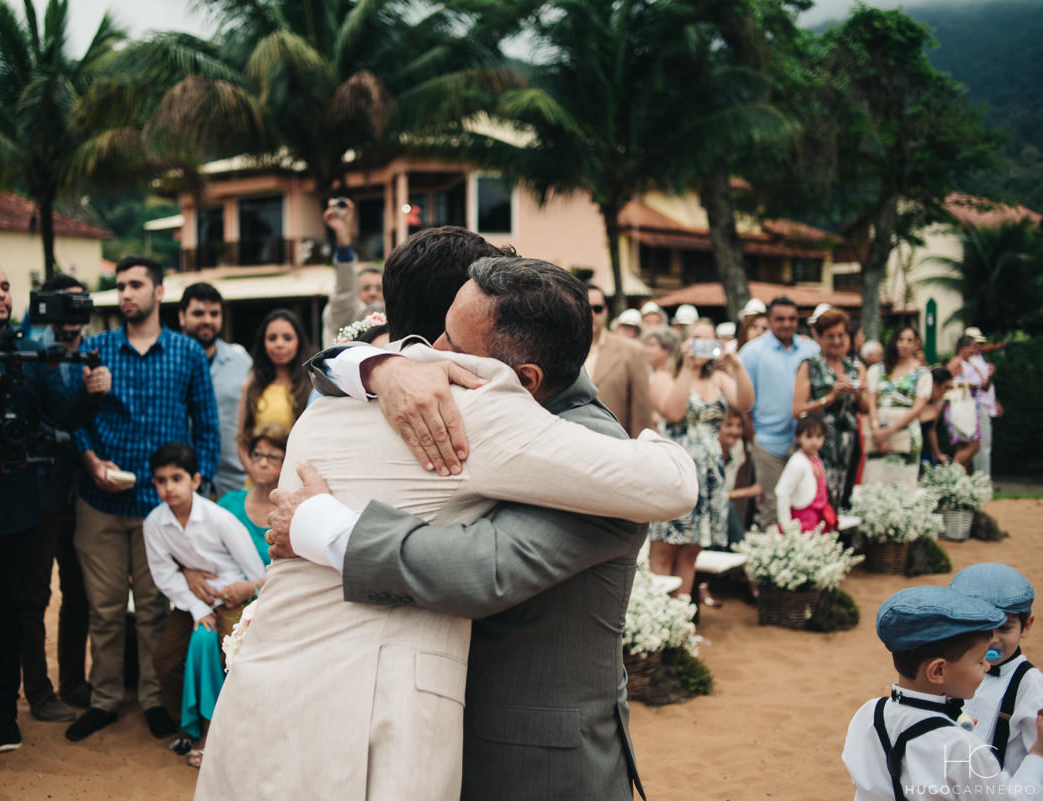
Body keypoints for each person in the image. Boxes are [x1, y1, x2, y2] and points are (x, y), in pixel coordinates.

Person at [195, 241, 697, 801]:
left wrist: (321, 525)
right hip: (428, 724)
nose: (429, 353)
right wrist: (376, 364)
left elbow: (484, 569)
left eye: (449, 343)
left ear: (523, 377)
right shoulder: (408, 391)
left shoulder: (580, 441)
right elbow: (338, 365)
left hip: (534, 760)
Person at [0, 260, 109, 752]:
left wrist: (92, 395)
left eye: (5, 286)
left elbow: (62, 414)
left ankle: (2, 717)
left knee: (6, 615)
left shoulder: (33, 353)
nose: (1, 294)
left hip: (13, 508)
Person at [65, 256, 220, 742]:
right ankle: (106, 699)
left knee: (156, 610)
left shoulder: (188, 353)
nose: (126, 293)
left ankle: (154, 700)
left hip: (163, 509)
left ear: (159, 290)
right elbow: (77, 420)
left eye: (136, 285)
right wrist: (91, 461)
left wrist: (197, 491)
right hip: (101, 502)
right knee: (105, 609)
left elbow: (207, 426)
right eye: (120, 286)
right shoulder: (95, 348)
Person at [842, 586, 1043, 800]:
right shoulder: (964, 748)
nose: (986, 667)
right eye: (979, 661)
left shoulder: (868, 714)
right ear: (938, 671)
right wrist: (1038, 754)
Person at [144, 442, 266, 769]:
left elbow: (255, 570)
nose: (169, 488)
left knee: (231, 661)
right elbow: (162, 573)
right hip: (193, 602)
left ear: (195, 480)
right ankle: (188, 728)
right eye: (160, 480)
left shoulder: (218, 519)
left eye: (177, 478)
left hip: (233, 597)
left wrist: (241, 594)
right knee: (166, 660)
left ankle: (224, 736)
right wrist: (196, 607)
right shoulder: (155, 523)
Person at [20, 274, 94, 723]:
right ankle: (39, 690)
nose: (71, 315)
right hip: (41, 491)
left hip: (83, 491)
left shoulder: (96, 352)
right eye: (61, 305)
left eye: (77, 304)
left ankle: (73, 682)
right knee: (35, 594)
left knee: (80, 592)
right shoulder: (31, 352)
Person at [648, 319, 755, 602]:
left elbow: (745, 403)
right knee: (663, 549)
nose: (702, 346)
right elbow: (673, 412)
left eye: (709, 340)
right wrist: (688, 367)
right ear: (684, 342)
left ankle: (682, 623)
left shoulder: (718, 379)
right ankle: (660, 618)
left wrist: (736, 365)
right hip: (673, 472)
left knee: (690, 551)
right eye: (696, 338)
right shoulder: (664, 377)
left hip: (708, 477)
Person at [951, 564, 1043, 774]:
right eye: (980, 627)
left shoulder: (1030, 685)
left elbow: (1039, 756)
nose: (992, 639)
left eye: (1004, 628)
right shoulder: (949, 669)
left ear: (1026, 626)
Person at [739, 296, 820, 528]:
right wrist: (754, 439)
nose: (787, 324)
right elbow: (744, 403)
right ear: (770, 320)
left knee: (805, 503)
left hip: (806, 441)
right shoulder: (752, 352)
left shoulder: (811, 350)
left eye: (792, 319)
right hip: (768, 442)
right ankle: (771, 559)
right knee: (772, 507)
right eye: (780, 319)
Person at [178, 282, 254, 495]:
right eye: (198, 313)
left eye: (214, 313)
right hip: (181, 479)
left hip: (234, 478)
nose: (207, 320)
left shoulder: (240, 360)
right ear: (181, 317)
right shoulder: (168, 362)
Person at [792, 308, 865, 509]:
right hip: (820, 443)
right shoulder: (810, 365)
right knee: (819, 499)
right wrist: (829, 398)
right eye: (830, 336)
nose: (837, 341)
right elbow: (798, 409)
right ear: (820, 338)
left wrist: (859, 393)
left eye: (841, 335)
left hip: (848, 442)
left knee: (844, 497)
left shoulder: (855, 368)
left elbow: (865, 409)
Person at [236, 309, 312, 465]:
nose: (279, 344)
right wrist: (255, 472)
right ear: (263, 343)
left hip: (296, 474)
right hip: (258, 477)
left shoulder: (311, 386)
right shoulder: (252, 385)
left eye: (287, 338)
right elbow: (242, 440)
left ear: (299, 342)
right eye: (272, 338)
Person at [864, 326, 933, 488]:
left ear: (916, 344)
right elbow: (871, 401)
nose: (904, 344)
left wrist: (890, 430)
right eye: (901, 339)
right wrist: (877, 429)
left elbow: (918, 408)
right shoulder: (878, 370)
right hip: (878, 429)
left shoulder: (922, 373)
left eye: (909, 340)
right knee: (876, 480)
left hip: (906, 431)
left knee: (903, 483)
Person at [585, 283, 653, 437]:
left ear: (606, 311)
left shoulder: (632, 351)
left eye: (597, 309)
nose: (591, 314)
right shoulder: (561, 349)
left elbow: (641, 414)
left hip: (615, 446)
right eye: (584, 307)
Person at [214, 423, 286, 566]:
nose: (263, 463)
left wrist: (248, 588)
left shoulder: (289, 510)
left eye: (272, 456)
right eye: (257, 455)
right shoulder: (229, 502)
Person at [321, 197, 383, 346]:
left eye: (379, 288)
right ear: (354, 291)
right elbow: (345, 286)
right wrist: (342, 233)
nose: (373, 293)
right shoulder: (343, 314)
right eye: (366, 288)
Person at [775, 414, 837, 533]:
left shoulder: (816, 458)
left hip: (818, 511)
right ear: (798, 438)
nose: (814, 441)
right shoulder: (797, 462)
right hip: (802, 514)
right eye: (809, 436)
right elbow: (783, 492)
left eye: (819, 436)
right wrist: (785, 523)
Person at [720, 407, 762, 544]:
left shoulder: (737, 452)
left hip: (722, 512)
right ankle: (741, 549)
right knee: (730, 508)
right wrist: (743, 493)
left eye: (739, 426)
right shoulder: (707, 453)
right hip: (706, 511)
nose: (735, 431)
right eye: (729, 425)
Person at [965, 327, 1001, 477]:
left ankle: (981, 479)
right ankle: (983, 481)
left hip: (985, 406)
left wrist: (995, 402)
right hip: (978, 407)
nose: (979, 346)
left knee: (982, 446)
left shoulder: (979, 359)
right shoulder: (970, 361)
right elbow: (984, 386)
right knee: (981, 446)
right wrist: (991, 374)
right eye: (975, 343)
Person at [945, 335, 983, 473]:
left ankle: (961, 483)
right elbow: (945, 382)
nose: (974, 350)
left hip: (969, 408)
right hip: (960, 408)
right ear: (963, 348)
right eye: (972, 347)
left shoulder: (969, 364)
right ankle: (951, 473)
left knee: (963, 447)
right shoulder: (956, 363)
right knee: (974, 446)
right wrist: (965, 383)